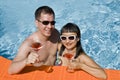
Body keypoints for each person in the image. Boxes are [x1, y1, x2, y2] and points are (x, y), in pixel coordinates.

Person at [8, 6, 60, 74]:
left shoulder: (55, 34)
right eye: (45, 23)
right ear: (36, 23)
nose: (50, 26)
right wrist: (26, 61)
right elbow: (11, 70)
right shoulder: (28, 44)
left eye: (52, 23)